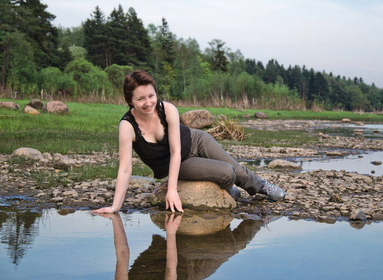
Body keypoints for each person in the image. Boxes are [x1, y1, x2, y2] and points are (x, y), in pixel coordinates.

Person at [91, 70, 285, 214]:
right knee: (228, 172)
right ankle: (229, 190)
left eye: (151, 96)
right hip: (182, 163)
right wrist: (115, 207)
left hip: (195, 140)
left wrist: (173, 190)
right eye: (140, 99)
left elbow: (175, 149)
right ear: (130, 101)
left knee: (238, 169)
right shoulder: (127, 127)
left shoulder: (167, 109)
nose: (148, 102)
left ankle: (262, 186)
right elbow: (125, 169)